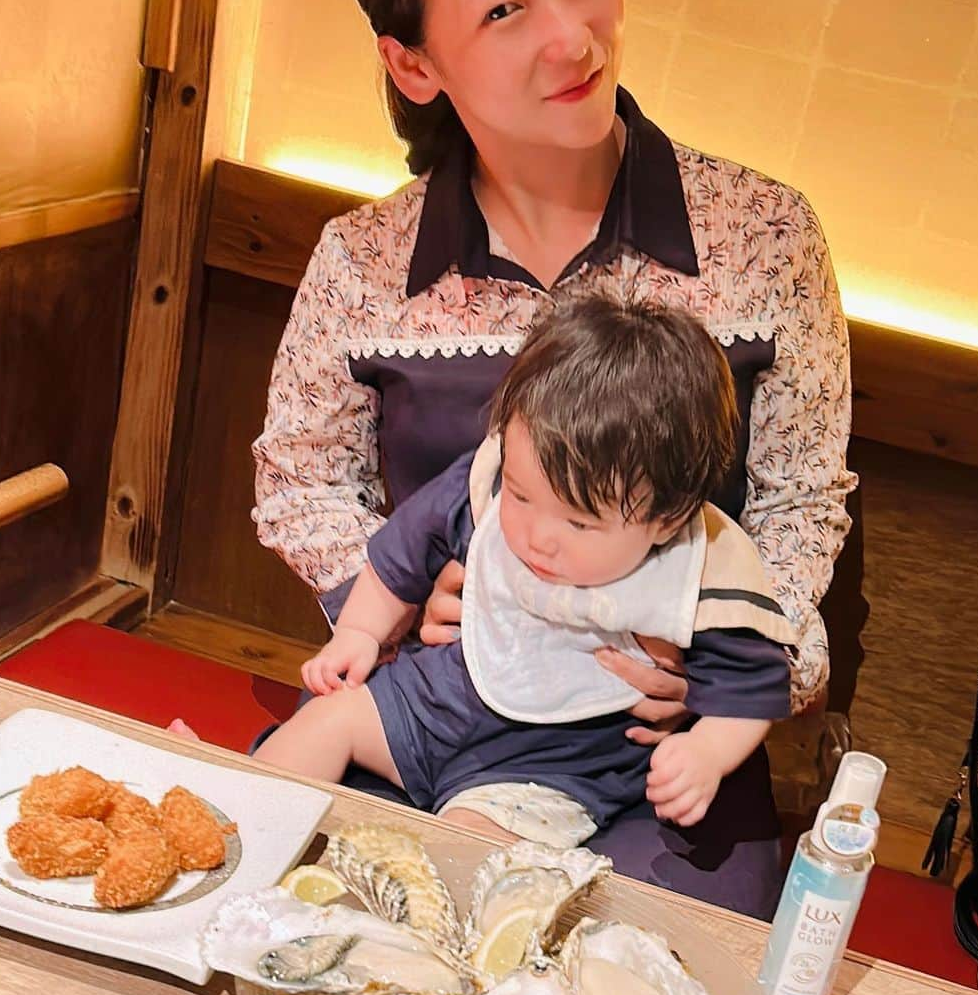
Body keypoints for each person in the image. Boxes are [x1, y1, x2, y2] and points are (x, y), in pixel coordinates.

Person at [248, 0, 856, 917]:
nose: (575, 38)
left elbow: (799, 496)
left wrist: (730, 676)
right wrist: (395, 602)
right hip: (437, 697)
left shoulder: (765, 238)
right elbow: (299, 477)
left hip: (648, 757)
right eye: (503, 9)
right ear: (414, 63)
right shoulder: (364, 261)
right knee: (321, 916)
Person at [254, 296, 794, 838]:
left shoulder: (699, 568)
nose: (538, 537)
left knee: (466, 841)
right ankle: (239, 822)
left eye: (578, 524)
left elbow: (754, 688)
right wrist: (359, 632)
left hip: (551, 769)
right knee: (329, 719)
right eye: (521, 496)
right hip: (430, 702)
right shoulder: (488, 479)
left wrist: (707, 750)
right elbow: (400, 555)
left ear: (667, 517)